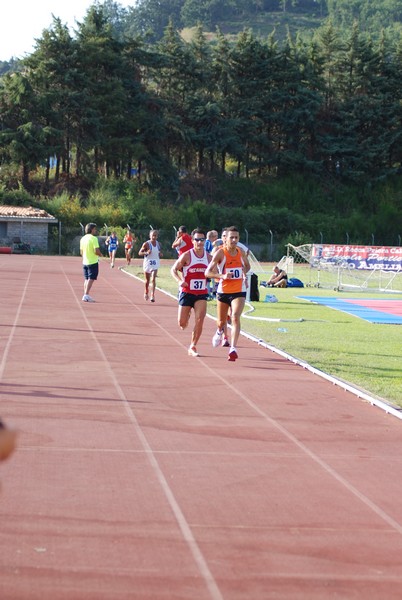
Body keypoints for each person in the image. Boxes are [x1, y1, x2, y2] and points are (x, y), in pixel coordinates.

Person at [205, 226, 251, 362]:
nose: (234, 240)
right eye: (232, 237)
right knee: (221, 322)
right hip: (223, 291)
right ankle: (219, 331)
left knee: (235, 317)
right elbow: (207, 273)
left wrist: (243, 273)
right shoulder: (220, 253)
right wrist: (223, 276)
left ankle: (233, 348)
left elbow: (247, 266)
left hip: (239, 290)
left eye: (236, 237)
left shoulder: (241, 252)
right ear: (225, 239)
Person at [171, 228, 211, 357]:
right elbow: (173, 270)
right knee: (182, 324)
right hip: (187, 292)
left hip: (201, 293)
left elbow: (216, 271)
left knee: (200, 319)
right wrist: (179, 281)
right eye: (197, 240)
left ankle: (193, 345)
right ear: (192, 241)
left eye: (202, 240)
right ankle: (186, 316)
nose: (199, 242)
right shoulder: (187, 255)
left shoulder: (209, 257)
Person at [80, 223, 102, 302]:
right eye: (95, 229)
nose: (95, 231)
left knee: (86, 279)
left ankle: (85, 294)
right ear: (92, 229)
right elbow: (96, 251)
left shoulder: (82, 239)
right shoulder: (93, 239)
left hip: (85, 261)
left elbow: (81, 252)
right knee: (91, 278)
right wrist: (100, 254)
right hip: (92, 261)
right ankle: (86, 294)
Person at [138, 230, 162, 302]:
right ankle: (146, 291)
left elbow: (159, 252)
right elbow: (139, 253)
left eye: (155, 235)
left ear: (157, 236)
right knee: (147, 281)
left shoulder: (158, 244)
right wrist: (146, 252)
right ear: (150, 236)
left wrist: (160, 254)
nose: (154, 237)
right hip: (148, 263)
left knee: (153, 279)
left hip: (155, 263)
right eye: (153, 235)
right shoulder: (146, 244)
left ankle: (152, 295)